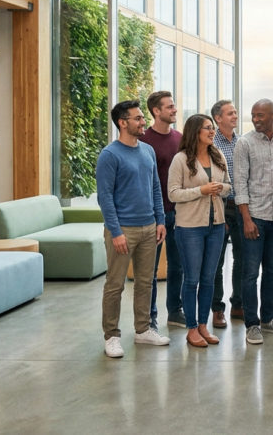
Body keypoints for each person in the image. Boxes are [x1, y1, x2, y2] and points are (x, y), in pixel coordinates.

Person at [97, 100, 170, 358]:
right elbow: (105, 197)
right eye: (138, 118)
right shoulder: (110, 155)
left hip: (149, 227)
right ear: (122, 122)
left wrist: (160, 220)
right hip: (123, 230)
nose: (143, 122)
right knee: (115, 285)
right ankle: (112, 336)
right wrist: (115, 232)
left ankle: (143, 330)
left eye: (142, 117)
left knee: (146, 282)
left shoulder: (148, 151)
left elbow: (155, 189)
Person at [233, 99, 273, 345]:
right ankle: (252, 324)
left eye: (261, 115)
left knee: (272, 270)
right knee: (250, 273)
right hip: (254, 218)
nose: (256, 119)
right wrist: (246, 220)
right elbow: (240, 184)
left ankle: (268, 319)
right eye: (253, 115)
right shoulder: (245, 143)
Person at [168, 114, 231, 347]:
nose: (212, 131)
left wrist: (219, 188)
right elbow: (173, 194)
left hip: (216, 227)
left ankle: (204, 326)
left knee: (208, 279)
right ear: (195, 131)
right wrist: (201, 190)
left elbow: (228, 186)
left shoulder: (218, 155)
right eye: (207, 128)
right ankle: (192, 328)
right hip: (190, 228)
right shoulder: (181, 159)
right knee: (192, 279)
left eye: (213, 128)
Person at [139, 91, 184, 329]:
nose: (174, 110)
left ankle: (175, 312)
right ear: (156, 111)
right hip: (153, 215)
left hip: (179, 214)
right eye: (170, 107)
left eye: (174, 106)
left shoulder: (180, 138)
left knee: (178, 266)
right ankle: (150, 317)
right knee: (151, 270)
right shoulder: (144, 140)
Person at [210, 99, 242, 328]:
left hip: (241, 208)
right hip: (220, 207)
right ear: (217, 118)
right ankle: (217, 309)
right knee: (217, 261)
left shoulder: (242, 142)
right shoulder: (211, 144)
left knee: (243, 259)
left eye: (235, 113)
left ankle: (238, 304)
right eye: (230, 113)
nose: (235, 116)